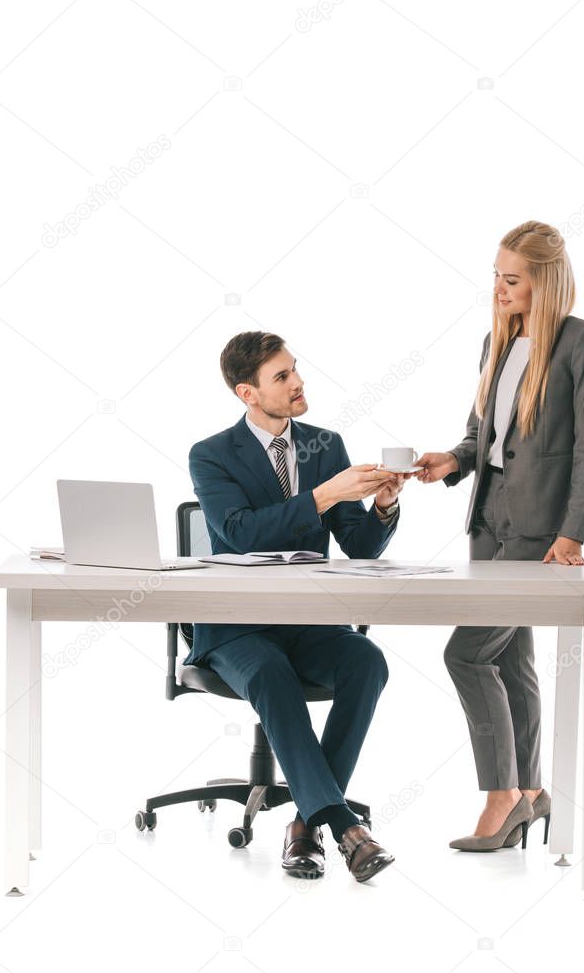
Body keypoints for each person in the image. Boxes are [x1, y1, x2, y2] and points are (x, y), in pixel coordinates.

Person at [416, 220, 584, 852]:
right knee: (508, 657)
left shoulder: (583, 343)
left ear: (544, 282)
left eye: (511, 280)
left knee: (464, 653)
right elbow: (483, 437)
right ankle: (530, 792)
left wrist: (573, 532)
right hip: (487, 517)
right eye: (496, 277)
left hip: (539, 531)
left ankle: (501, 796)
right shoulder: (496, 342)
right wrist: (449, 460)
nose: (498, 290)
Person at [185, 331, 409, 881]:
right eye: (281, 377)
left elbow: (358, 545)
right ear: (248, 393)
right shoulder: (211, 454)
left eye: (295, 370)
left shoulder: (324, 445)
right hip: (237, 629)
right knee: (270, 672)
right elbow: (237, 534)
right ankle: (341, 827)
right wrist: (324, 495)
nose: (297, 382)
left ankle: (304, 825)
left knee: (367, 661)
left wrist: (382, 504)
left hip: (308, 620)